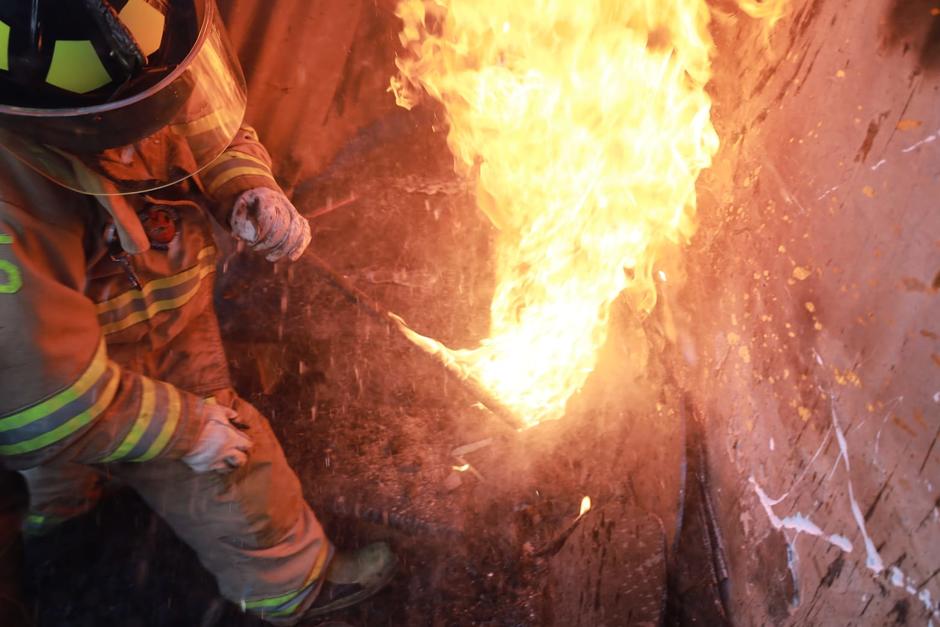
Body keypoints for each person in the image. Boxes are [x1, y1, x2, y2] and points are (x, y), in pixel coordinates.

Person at [0, 0, 396, 623]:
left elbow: (209, 123)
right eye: (119, 123)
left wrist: (248, 188)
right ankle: (297, 588)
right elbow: (38, 398)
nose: (145, 132)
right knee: (234, 462)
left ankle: (69, 518)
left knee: (67, 476)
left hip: (161, 317)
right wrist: (185, 430)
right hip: (95, 376)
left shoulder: (147, 39)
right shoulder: (10, 191)